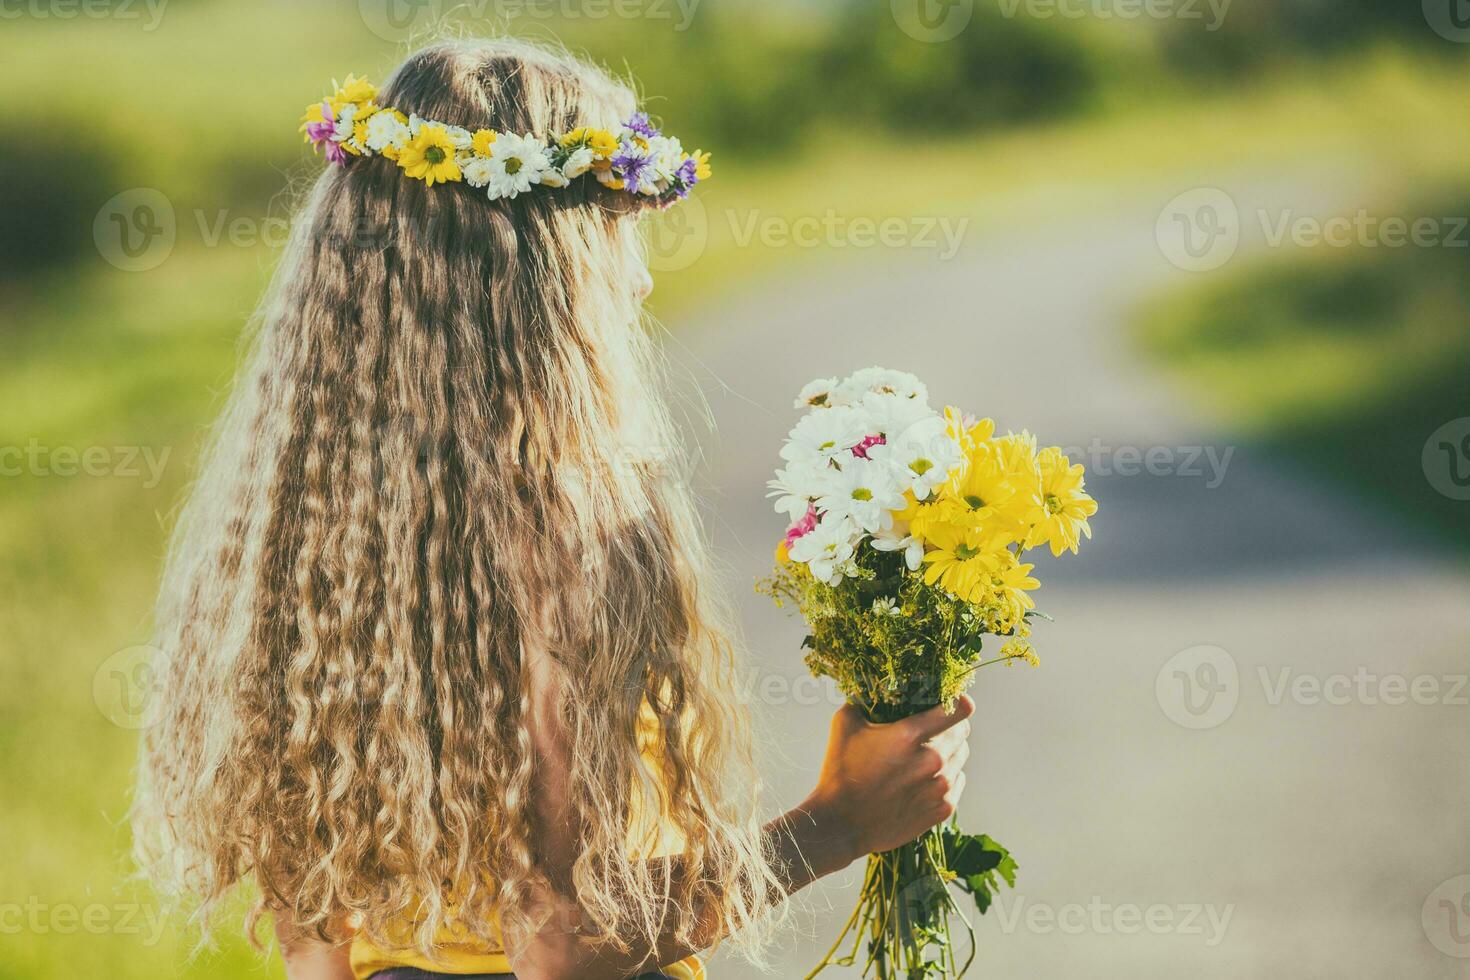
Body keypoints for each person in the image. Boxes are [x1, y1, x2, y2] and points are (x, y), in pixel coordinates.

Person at [132, 38, 972, 980]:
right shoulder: (569, 534)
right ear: (546, 269)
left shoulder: (310, 501)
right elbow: (567, 946)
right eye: (618, 226)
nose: (642, 277)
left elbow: (310, 935)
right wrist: (840, 821)